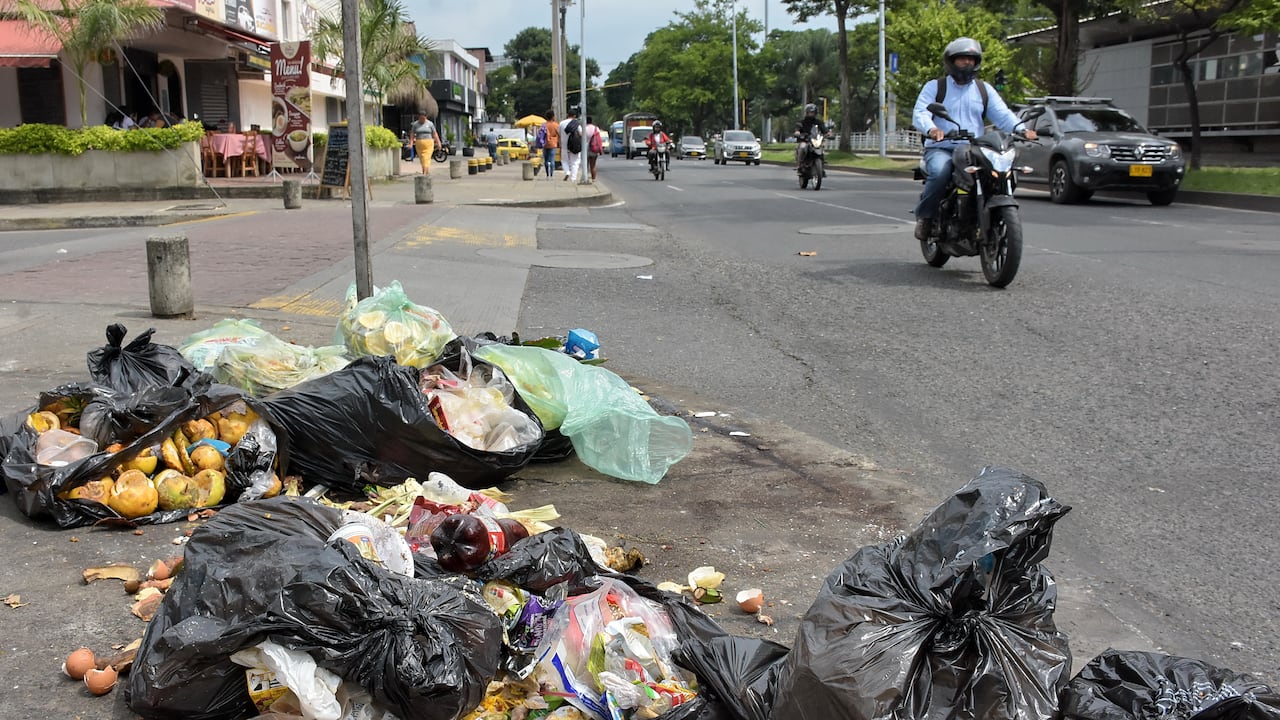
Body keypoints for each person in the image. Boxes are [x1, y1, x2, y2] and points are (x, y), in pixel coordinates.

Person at [911, 37, 1035, 241]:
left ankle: (984, 214)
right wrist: (932, 129)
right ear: (951, 61)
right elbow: (921, 112)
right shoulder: (935, 86)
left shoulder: (983, 89)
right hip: (942, 147)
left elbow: (1002, 114)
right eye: (962, 59)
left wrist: (1021, 129)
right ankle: (926, 217)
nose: (967, 63)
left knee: (999, 173)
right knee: (941, 172)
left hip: (973, 149)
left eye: (971, 59)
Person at [793, 102, 830, 174]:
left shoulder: (818, 122)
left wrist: (828, 134)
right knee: (803, 147)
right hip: (805, 140)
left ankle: (821, 167)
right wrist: (797, 133)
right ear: (806, 112)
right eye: (810, 112)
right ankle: (799, 165)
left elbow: (824, 129)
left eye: (813, 112)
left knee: (822, 147)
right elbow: (797, 129)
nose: (811, 114)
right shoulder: (802, 122)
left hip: (815, 140)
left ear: (815, 113)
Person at [560, 107, 582, 182]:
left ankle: (567, 172)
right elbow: (580, 134)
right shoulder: (577, 124)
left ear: (567, 115)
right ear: (574, 116)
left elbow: (559, 134)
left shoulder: (562, 123)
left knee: (564, 161)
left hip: (564, 146)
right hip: (574, 146)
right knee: (575, 162)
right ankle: (573, 178)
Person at [542, 111, 560, 180]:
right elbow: (559, 134)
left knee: (546, 160)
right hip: (553, 144)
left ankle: (547, 175)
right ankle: (551, 175)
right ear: (553, 116)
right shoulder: (556, 125)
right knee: (552, 160)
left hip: (545, 144)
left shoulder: (544, 125)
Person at [584, 115, 602, 181]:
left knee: (585, 165)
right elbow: (599, 139)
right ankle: (593, 179)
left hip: (585, 148)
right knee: (593, 165)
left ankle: (585, 177)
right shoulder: (596, 128)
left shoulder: (584, 128)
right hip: (594, 148)